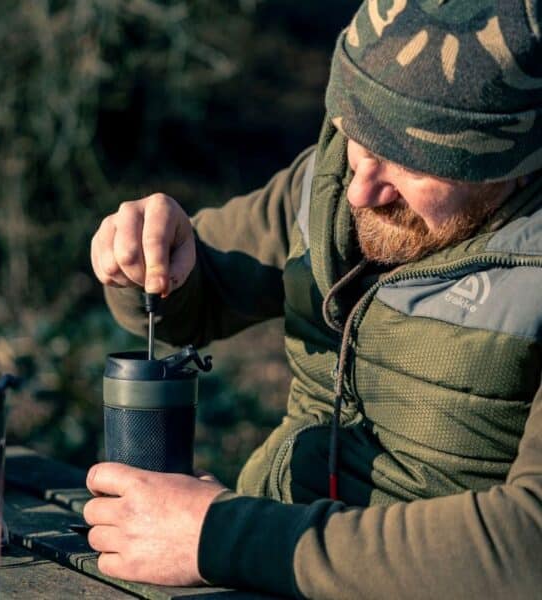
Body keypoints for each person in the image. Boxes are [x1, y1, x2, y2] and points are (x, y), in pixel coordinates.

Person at [85, 2, 542, 598]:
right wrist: (141, 257)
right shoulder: (328, 181)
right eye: (357, 138)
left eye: (411, 164)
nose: (360, 191)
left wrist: (222, 534)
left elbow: (527, 546)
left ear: (511, 162)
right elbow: (193, 300)